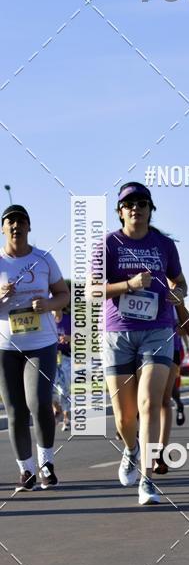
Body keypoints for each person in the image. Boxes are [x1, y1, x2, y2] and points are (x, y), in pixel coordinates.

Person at [101, 181, 187, 505]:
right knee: (124, 417)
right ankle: (131, 449)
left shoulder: (164, 245)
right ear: (120, 211)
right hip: (118, 332)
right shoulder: (108, 244)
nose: (136, 208)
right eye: (129, 204)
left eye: (142, 203)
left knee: (149, 404)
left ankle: (148, 479)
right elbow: (93, 290)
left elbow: (181, 282)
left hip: (158, 329)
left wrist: (178, 292)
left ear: (151, 210)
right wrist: (129, 284)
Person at [0, 204, 69, 491]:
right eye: (10, 222)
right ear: (3, 229)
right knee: (15, 410)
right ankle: (26, 470)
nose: (16, 226)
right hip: (6, 346)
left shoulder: (44, 259)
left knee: (39, 402)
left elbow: (63, 294)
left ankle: (46, 464)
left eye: (21, 221)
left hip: (41, 343)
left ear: (29, 227)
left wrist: (49, 304)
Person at [153, 302, 189, 475]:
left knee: (163, 400)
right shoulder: (132, 278)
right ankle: (135, 443)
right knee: (140, 402)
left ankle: (161, 451)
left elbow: (184, 318)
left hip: (170, 347)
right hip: (138, 345)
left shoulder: (174, 288)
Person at [54, 291, 72, 432]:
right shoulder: (46, 320)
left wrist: (69, 339)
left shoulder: (69, 319)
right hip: (50, 359)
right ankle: (57, 410)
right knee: (49, 391)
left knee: (64, 390)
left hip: (66, 358)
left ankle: (66, 419)